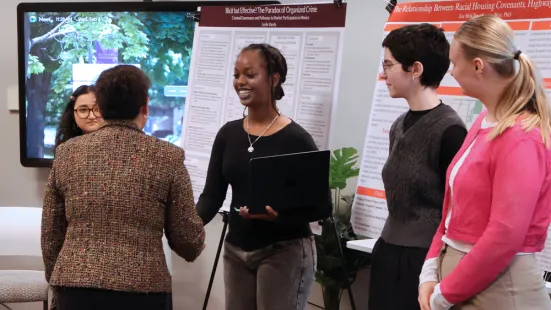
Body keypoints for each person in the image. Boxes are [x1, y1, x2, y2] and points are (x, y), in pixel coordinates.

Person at [41, 64, 206, 310]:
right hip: (143, 291)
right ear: (145, 107)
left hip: (74, 289)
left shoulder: (67, 153)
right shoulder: (168, 157)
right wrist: (196, 244)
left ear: (102, 108)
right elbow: (186, 238)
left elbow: (51, 233)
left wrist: (61, 277)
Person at [418, 14, 551, 310]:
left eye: (455, 64)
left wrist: (445, 293)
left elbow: (505, 235)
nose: (451, 72)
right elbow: (452, 211)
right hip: (462, 283)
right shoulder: (483, 121)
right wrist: (430, 270)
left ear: (478, 66)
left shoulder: (521, 136)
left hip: (499, 291)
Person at [196, 43, 331, 310]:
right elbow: (211, 197)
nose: (240, 82)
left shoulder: (296, 138)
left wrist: (278, 215)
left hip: (283, 250)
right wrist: (183, 227)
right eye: (236, 75)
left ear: (274, 79)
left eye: (250, 74)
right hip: (236, 249)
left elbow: (322, 206)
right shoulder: (228, 134)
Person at [368, 23, 467, 310]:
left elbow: (456, 209)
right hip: (388, 250)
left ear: (416, 69)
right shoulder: (399, 124)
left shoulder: (450, 131)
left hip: (423, 261)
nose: (384, 74)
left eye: (389, 65)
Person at [54, 85, 101, 150]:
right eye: (83, 110)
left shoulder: (117, 144)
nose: (91, 116)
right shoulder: (65, 149)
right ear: (72, 113)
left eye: (97, 109)